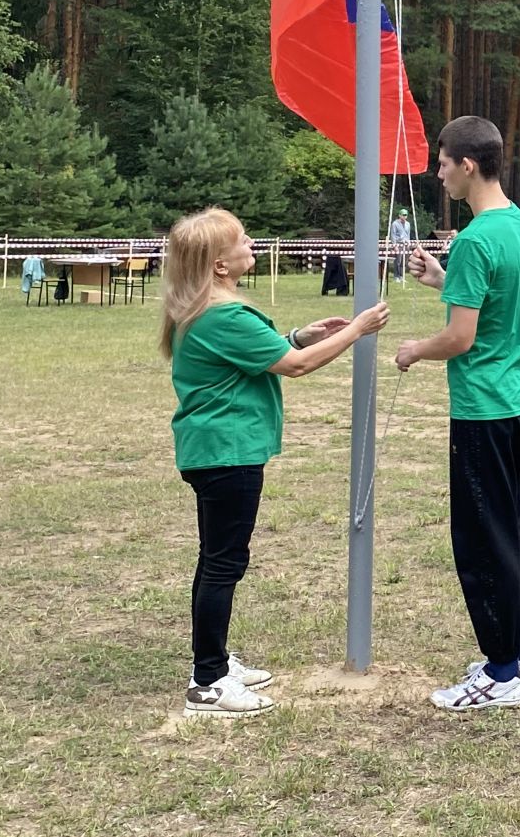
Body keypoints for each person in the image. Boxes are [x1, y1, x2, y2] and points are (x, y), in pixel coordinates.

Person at [161, 208, 389, 718]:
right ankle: (208, 682)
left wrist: (298, 336)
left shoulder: (206, 309)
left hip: (216, 451)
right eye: (243, 241)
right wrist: (357, 329)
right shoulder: (223, 314)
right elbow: (297, 368)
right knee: (223, 562)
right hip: (227, 452)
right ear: (220, 265)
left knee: (217, 559)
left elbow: (275, 354)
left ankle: (214, 660)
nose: (252, 245)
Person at [395, 117, 520, 713]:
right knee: (511, 530)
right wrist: (443, 278)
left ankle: (501, 672)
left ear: (469, 166)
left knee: (483, 540)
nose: (437, 173)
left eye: (442, 163)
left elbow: (460, 337)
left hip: (484, 411)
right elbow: (498, 306)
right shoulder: (519, 226)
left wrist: (413, 350)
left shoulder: (478, 239)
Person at [389, 209, 413, 283]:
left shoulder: (408, 224)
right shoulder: (395, 224)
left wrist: (408, 243)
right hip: (398, 244)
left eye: (406, 215)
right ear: (399, 215)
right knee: (398, 261)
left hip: (405, 244)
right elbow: (393, 235)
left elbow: (408, 234)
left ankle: (402, 276)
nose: (404, 216)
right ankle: (396, 276)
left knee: (404, 261)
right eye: (403, 215)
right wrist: (395, 246)